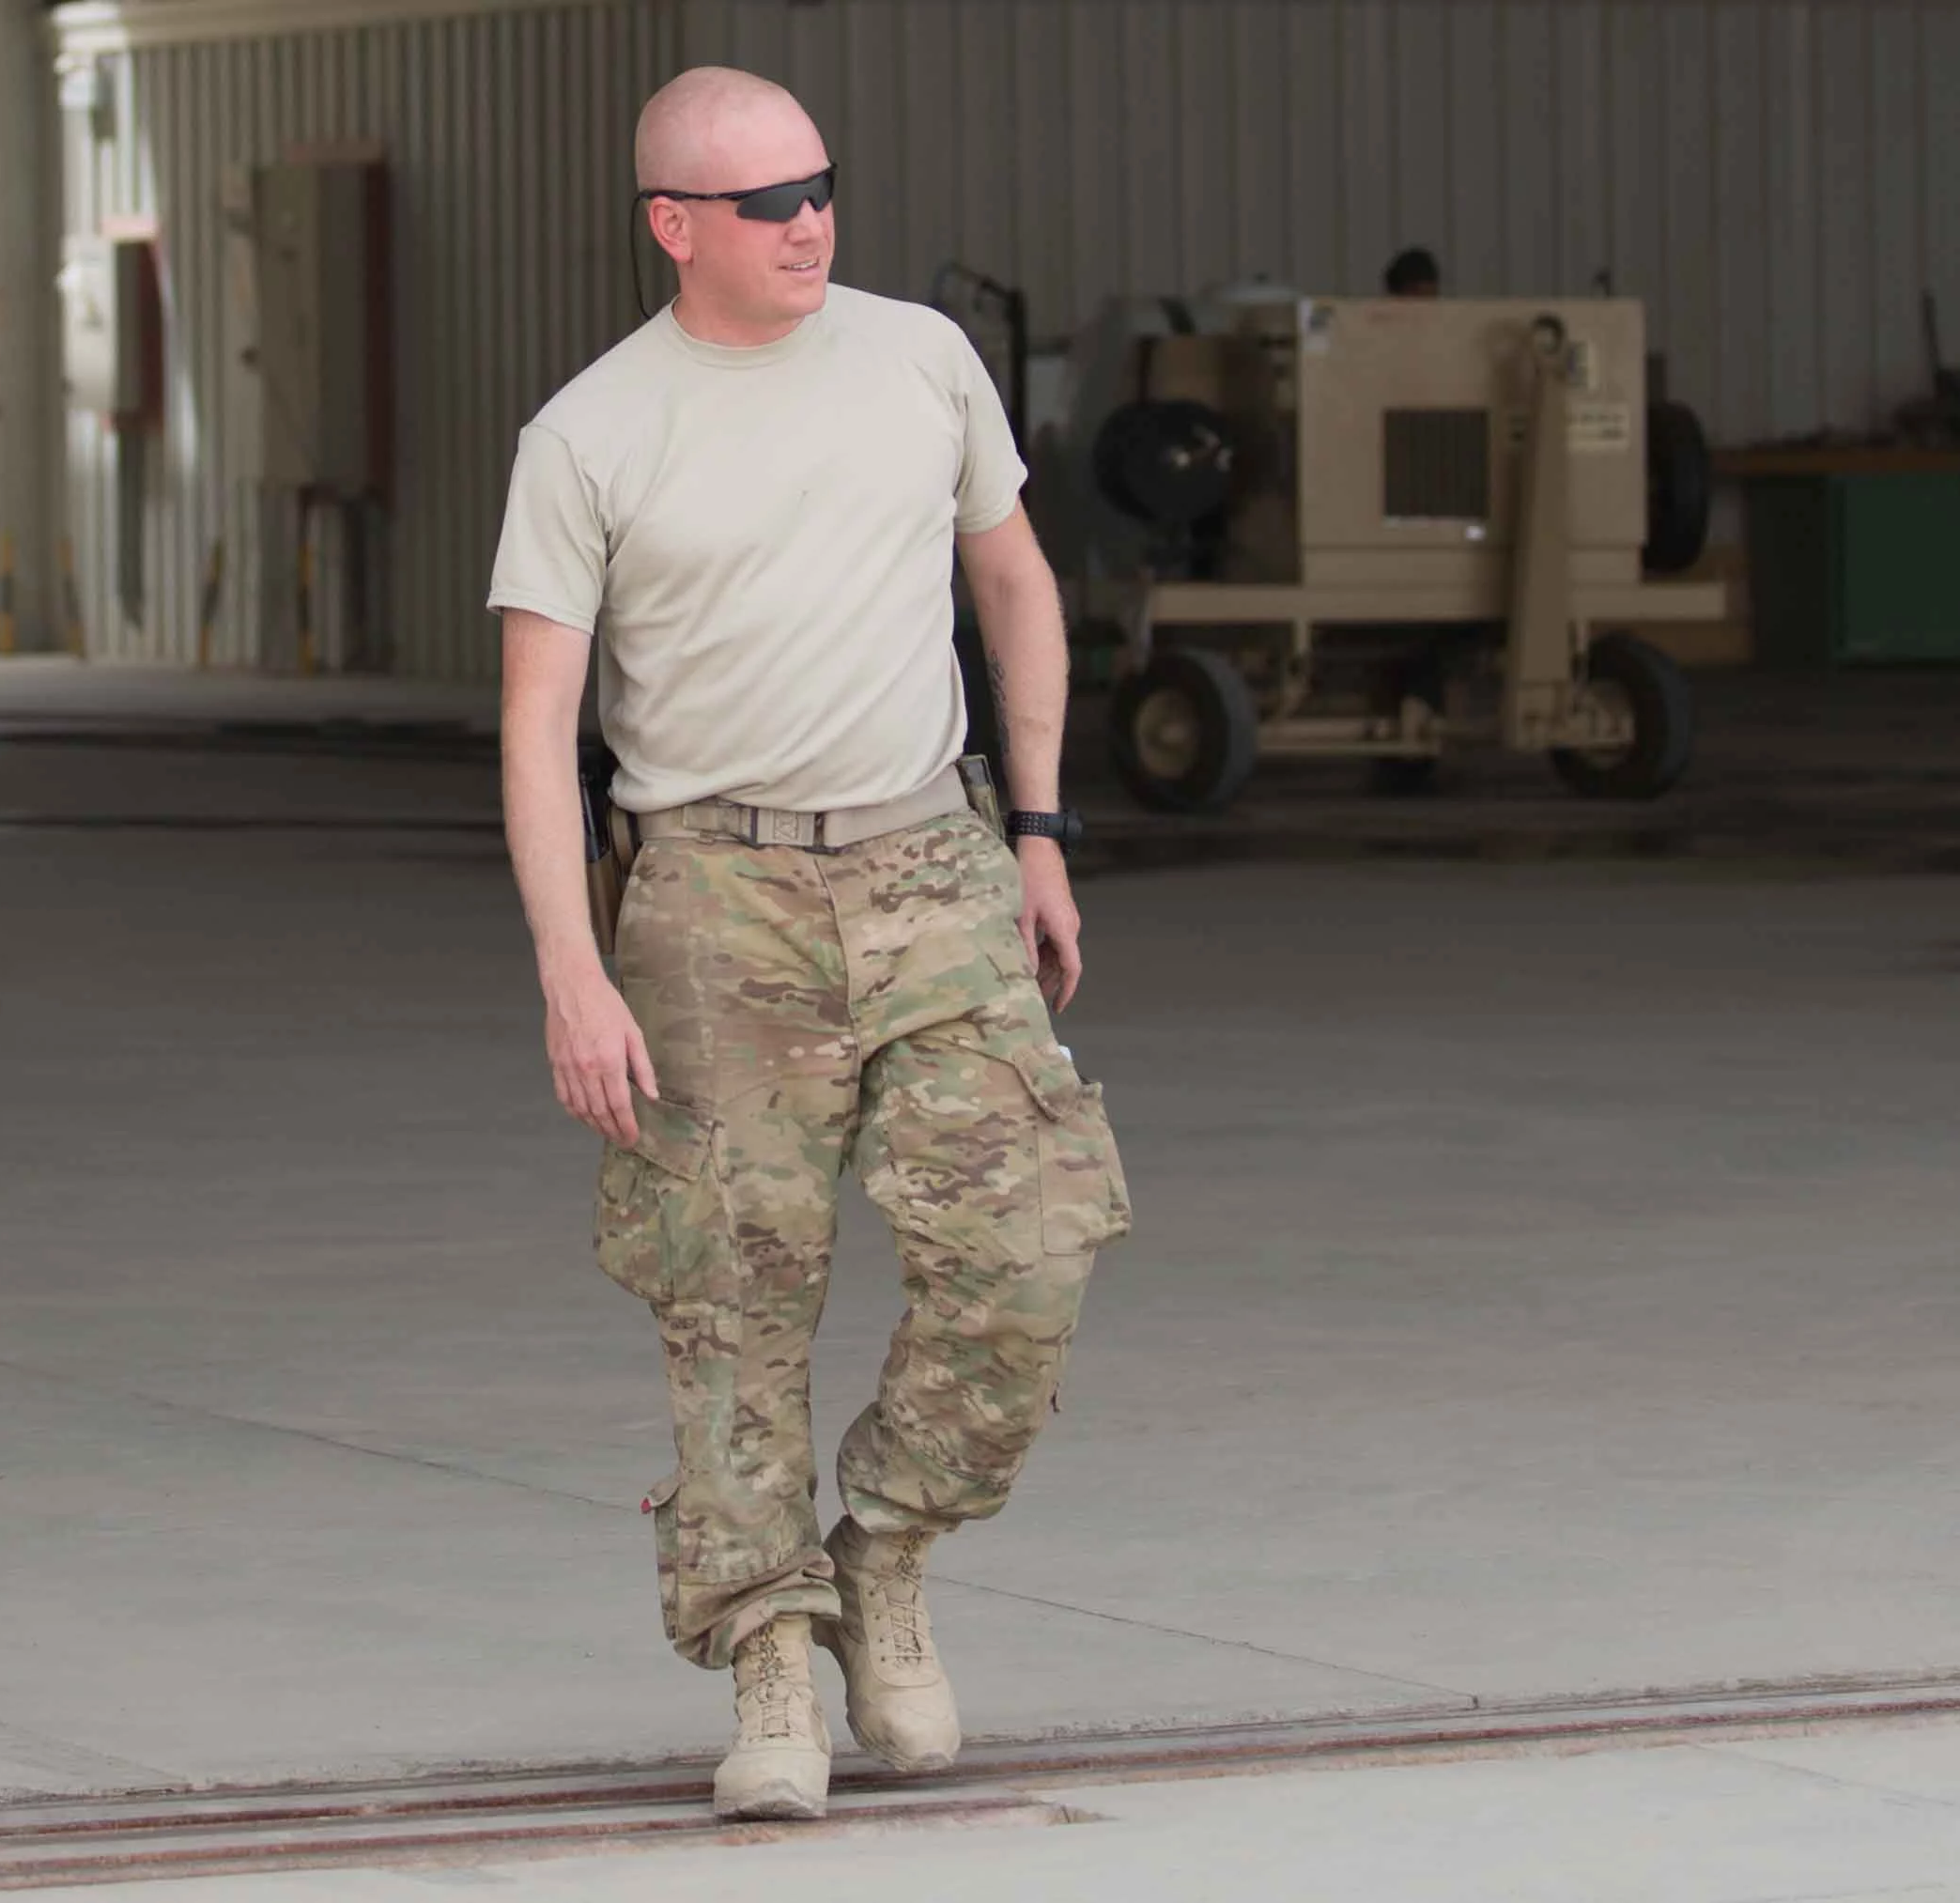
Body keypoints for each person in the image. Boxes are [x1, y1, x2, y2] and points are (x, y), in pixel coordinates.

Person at [486, 66, 1131, 1822]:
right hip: (710, 895)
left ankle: (890, 1550)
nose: (808, 223)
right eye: (764, 202)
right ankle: (770, 1641)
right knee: (732, 1294)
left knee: (1028, 1240)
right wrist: (572, 964)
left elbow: (1012, 582)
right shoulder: (592, 434)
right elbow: (537, 728)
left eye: (821, 186)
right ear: (671, 225)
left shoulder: (920, 355)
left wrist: (1045, 828)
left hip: (933, 857)